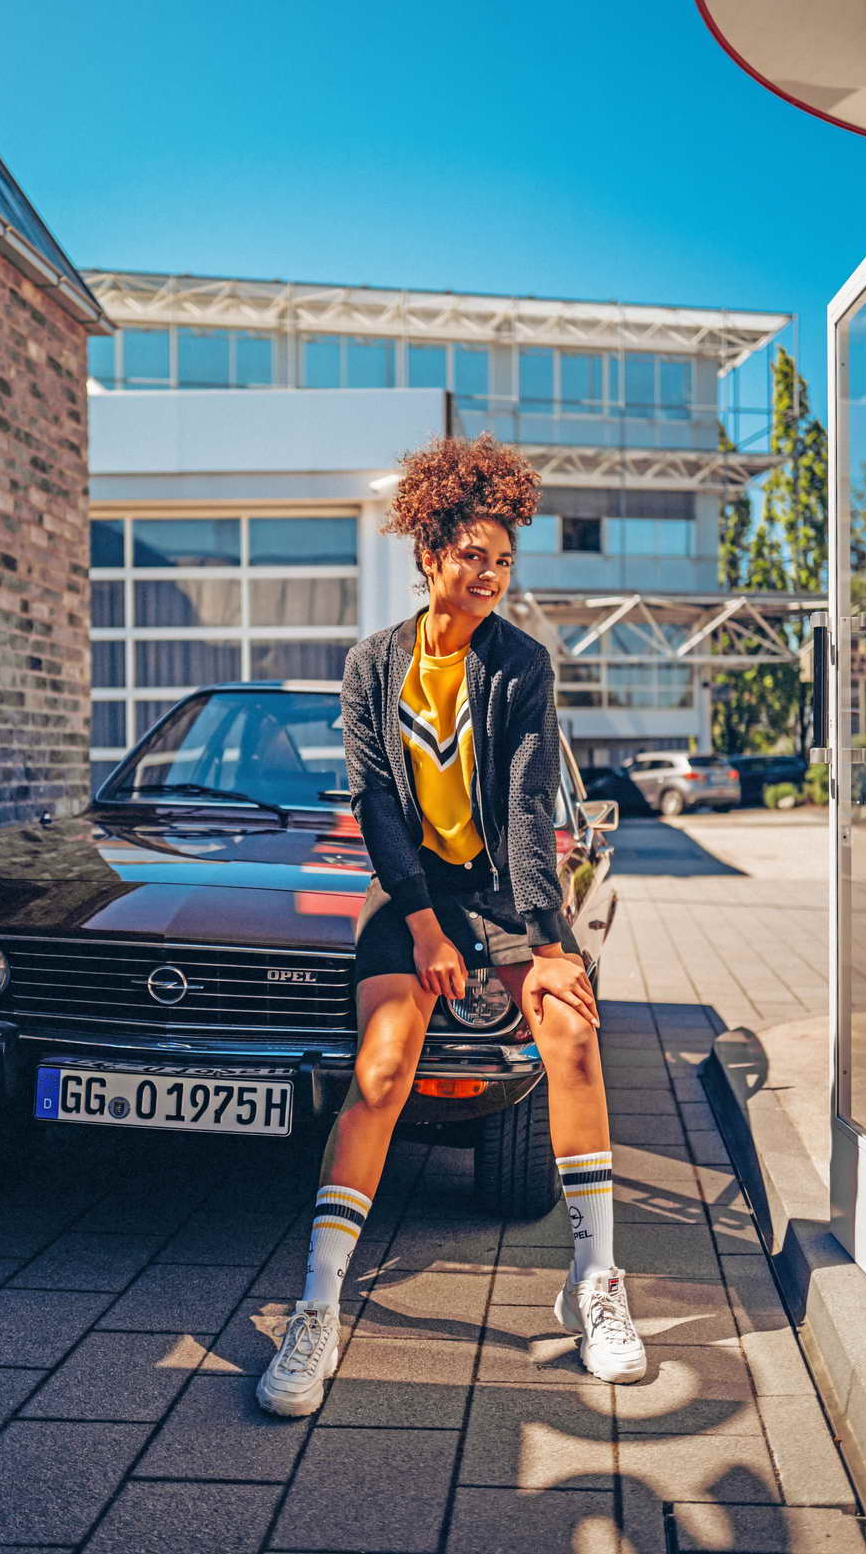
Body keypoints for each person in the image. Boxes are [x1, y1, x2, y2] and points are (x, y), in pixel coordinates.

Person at [257, 432, 645, 1417]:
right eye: (472, 555)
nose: (489, 575)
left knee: (571, 1039)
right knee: (383, 1071)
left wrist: (547, 947)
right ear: (430, 553)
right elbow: (377, 804)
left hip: (504, 893)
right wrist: (425, 927)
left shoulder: (519, 665)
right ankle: (318, 1308)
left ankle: (594, 1284)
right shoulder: (372, 664)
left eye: (503, 561)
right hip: (414, 893)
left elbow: (525, 807)